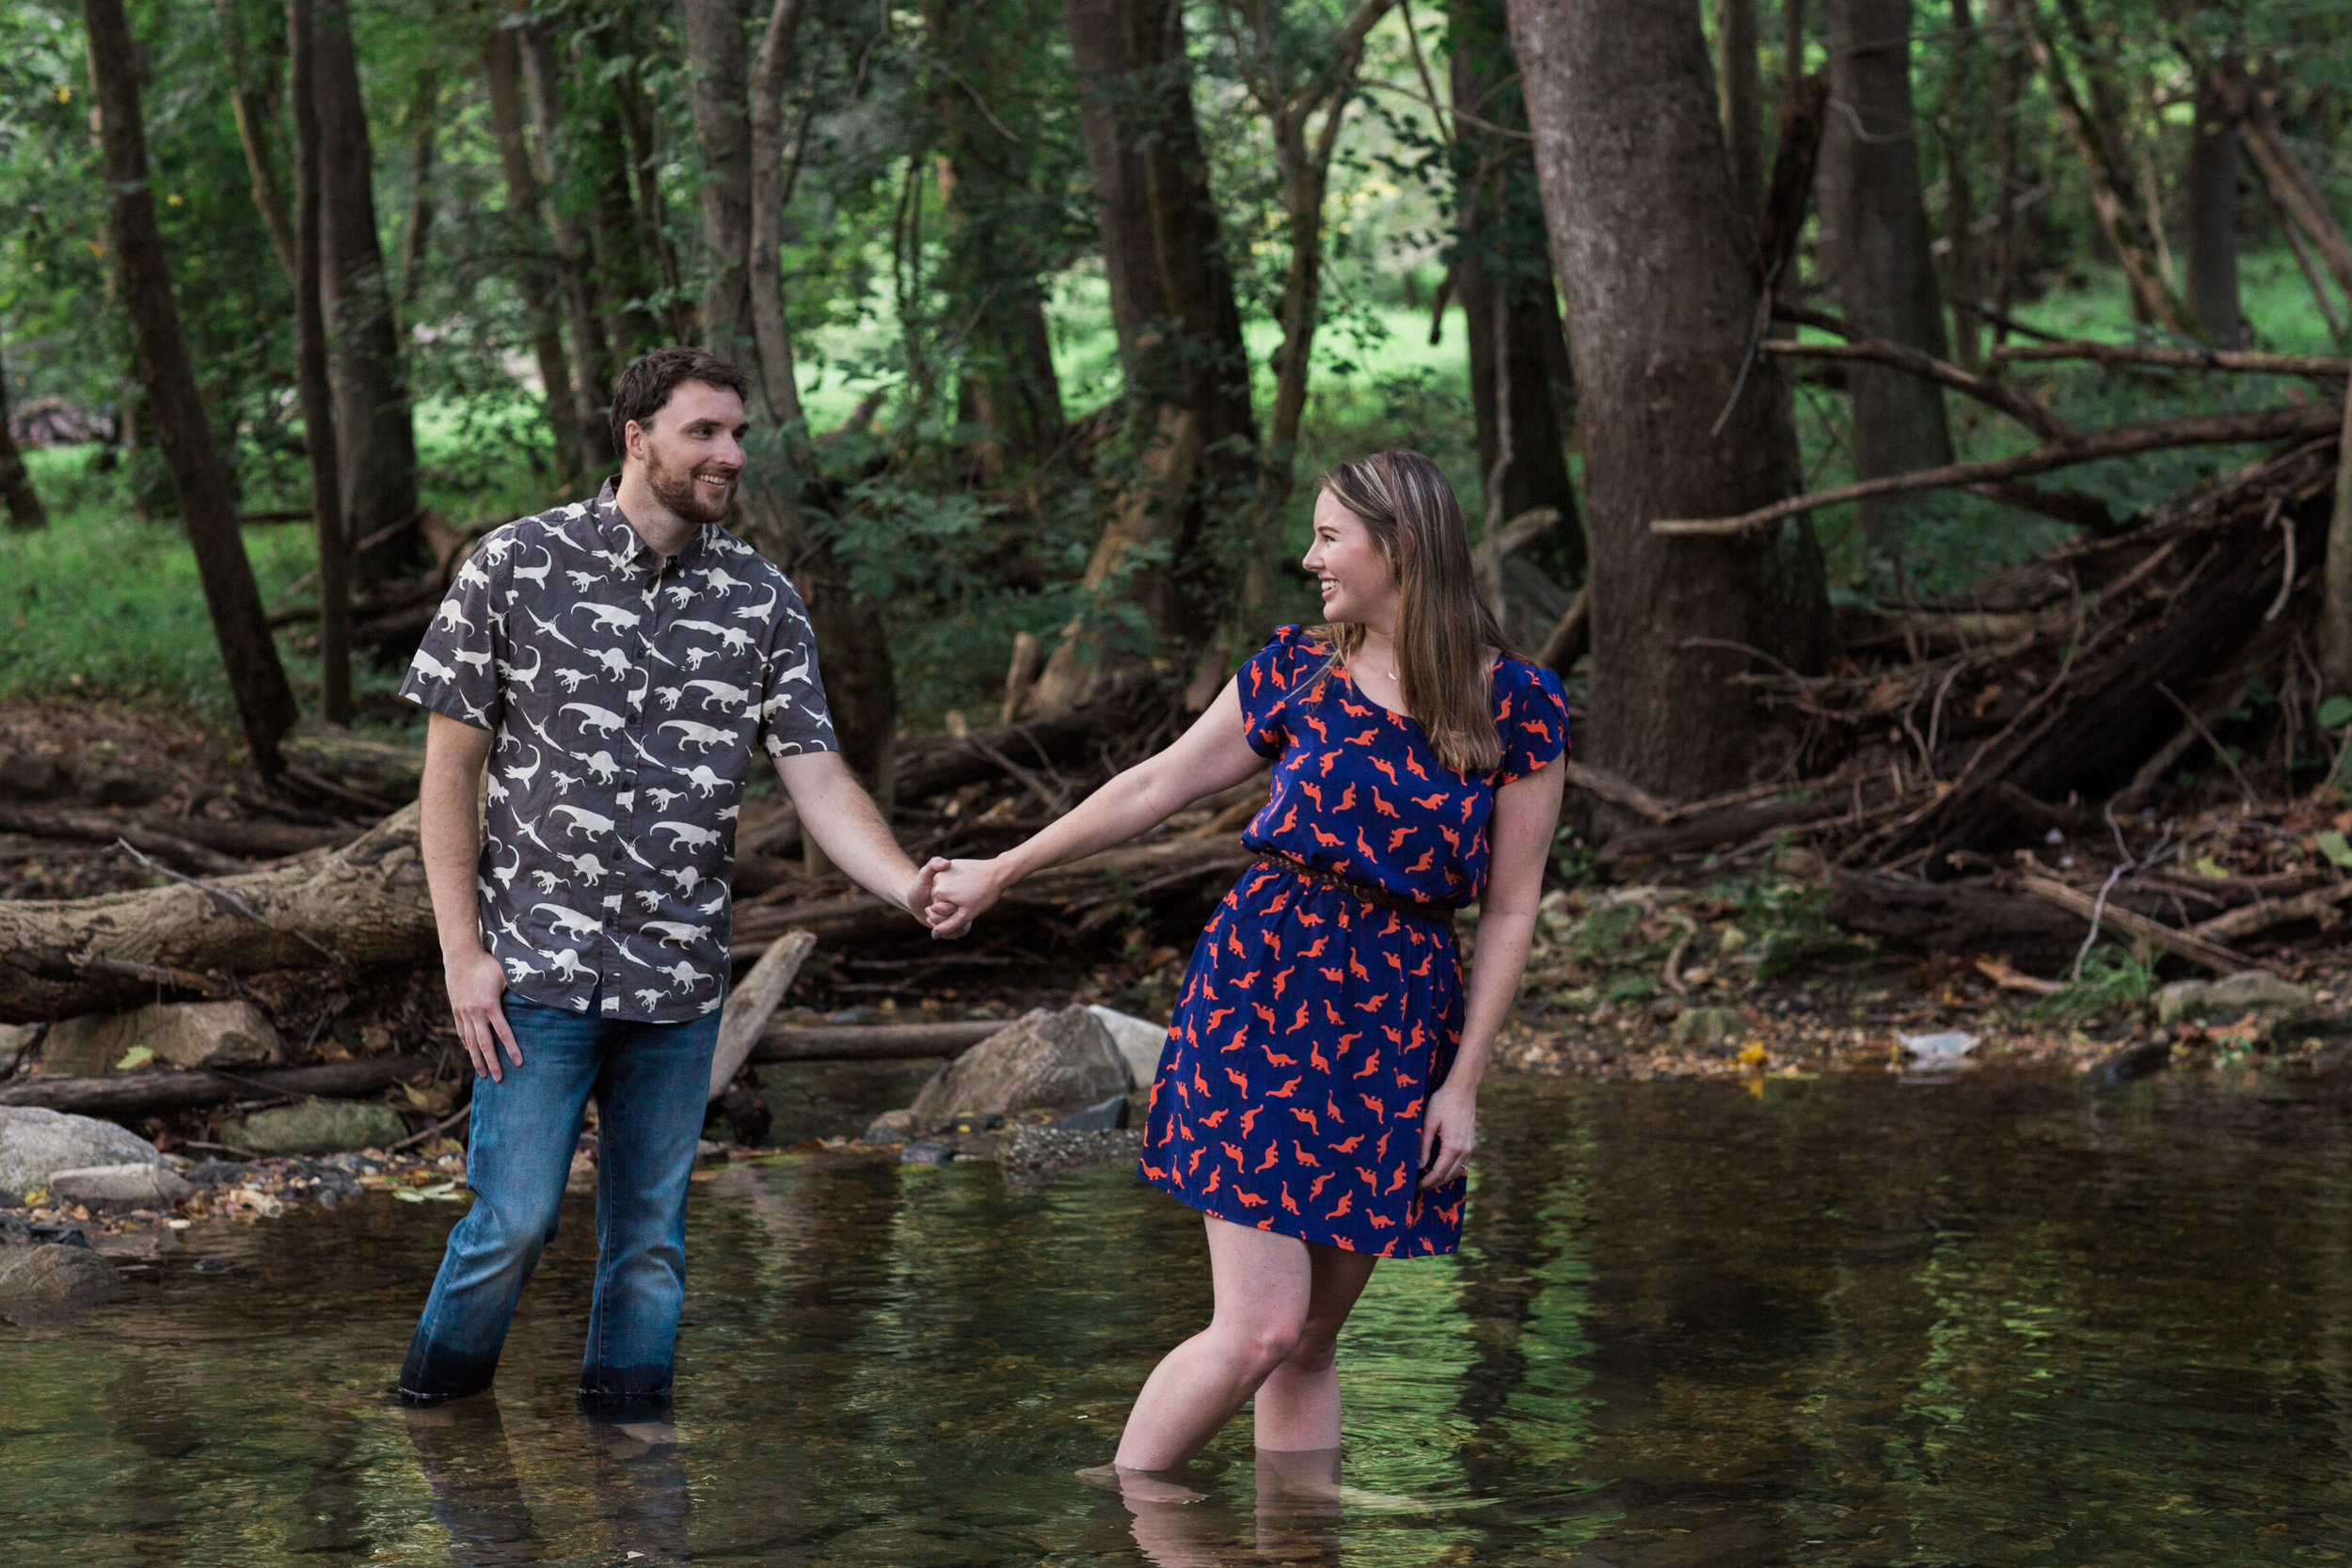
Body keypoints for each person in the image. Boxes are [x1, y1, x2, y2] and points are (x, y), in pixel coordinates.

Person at [924, 450, 1569, 1479]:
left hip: (1399, 1021)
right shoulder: (1297, 667)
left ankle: (1296, 1549)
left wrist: (1463, 1083)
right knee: (1263, 1326)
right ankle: (1126, 1511)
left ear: (1399, 548)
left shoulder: (1518, 705)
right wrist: (1006, 865)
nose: (1309, 556)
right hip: (1261, 992)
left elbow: (1510, 906)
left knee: (1312, 1342)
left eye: (1329, 537)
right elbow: (1155, 784)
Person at [395, 346, 938, 1416]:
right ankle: (434, 1422)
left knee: (649, 1248)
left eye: (738, 433)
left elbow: (818, 779)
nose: (730, 454)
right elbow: (450, 770)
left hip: (677, 981)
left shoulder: (761, 598)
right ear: (636, 438)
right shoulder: (515, 564)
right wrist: (463, 954)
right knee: (510, 1222)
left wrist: (908, 887)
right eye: (705, 432)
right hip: (533, 976)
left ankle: (632, 1462)